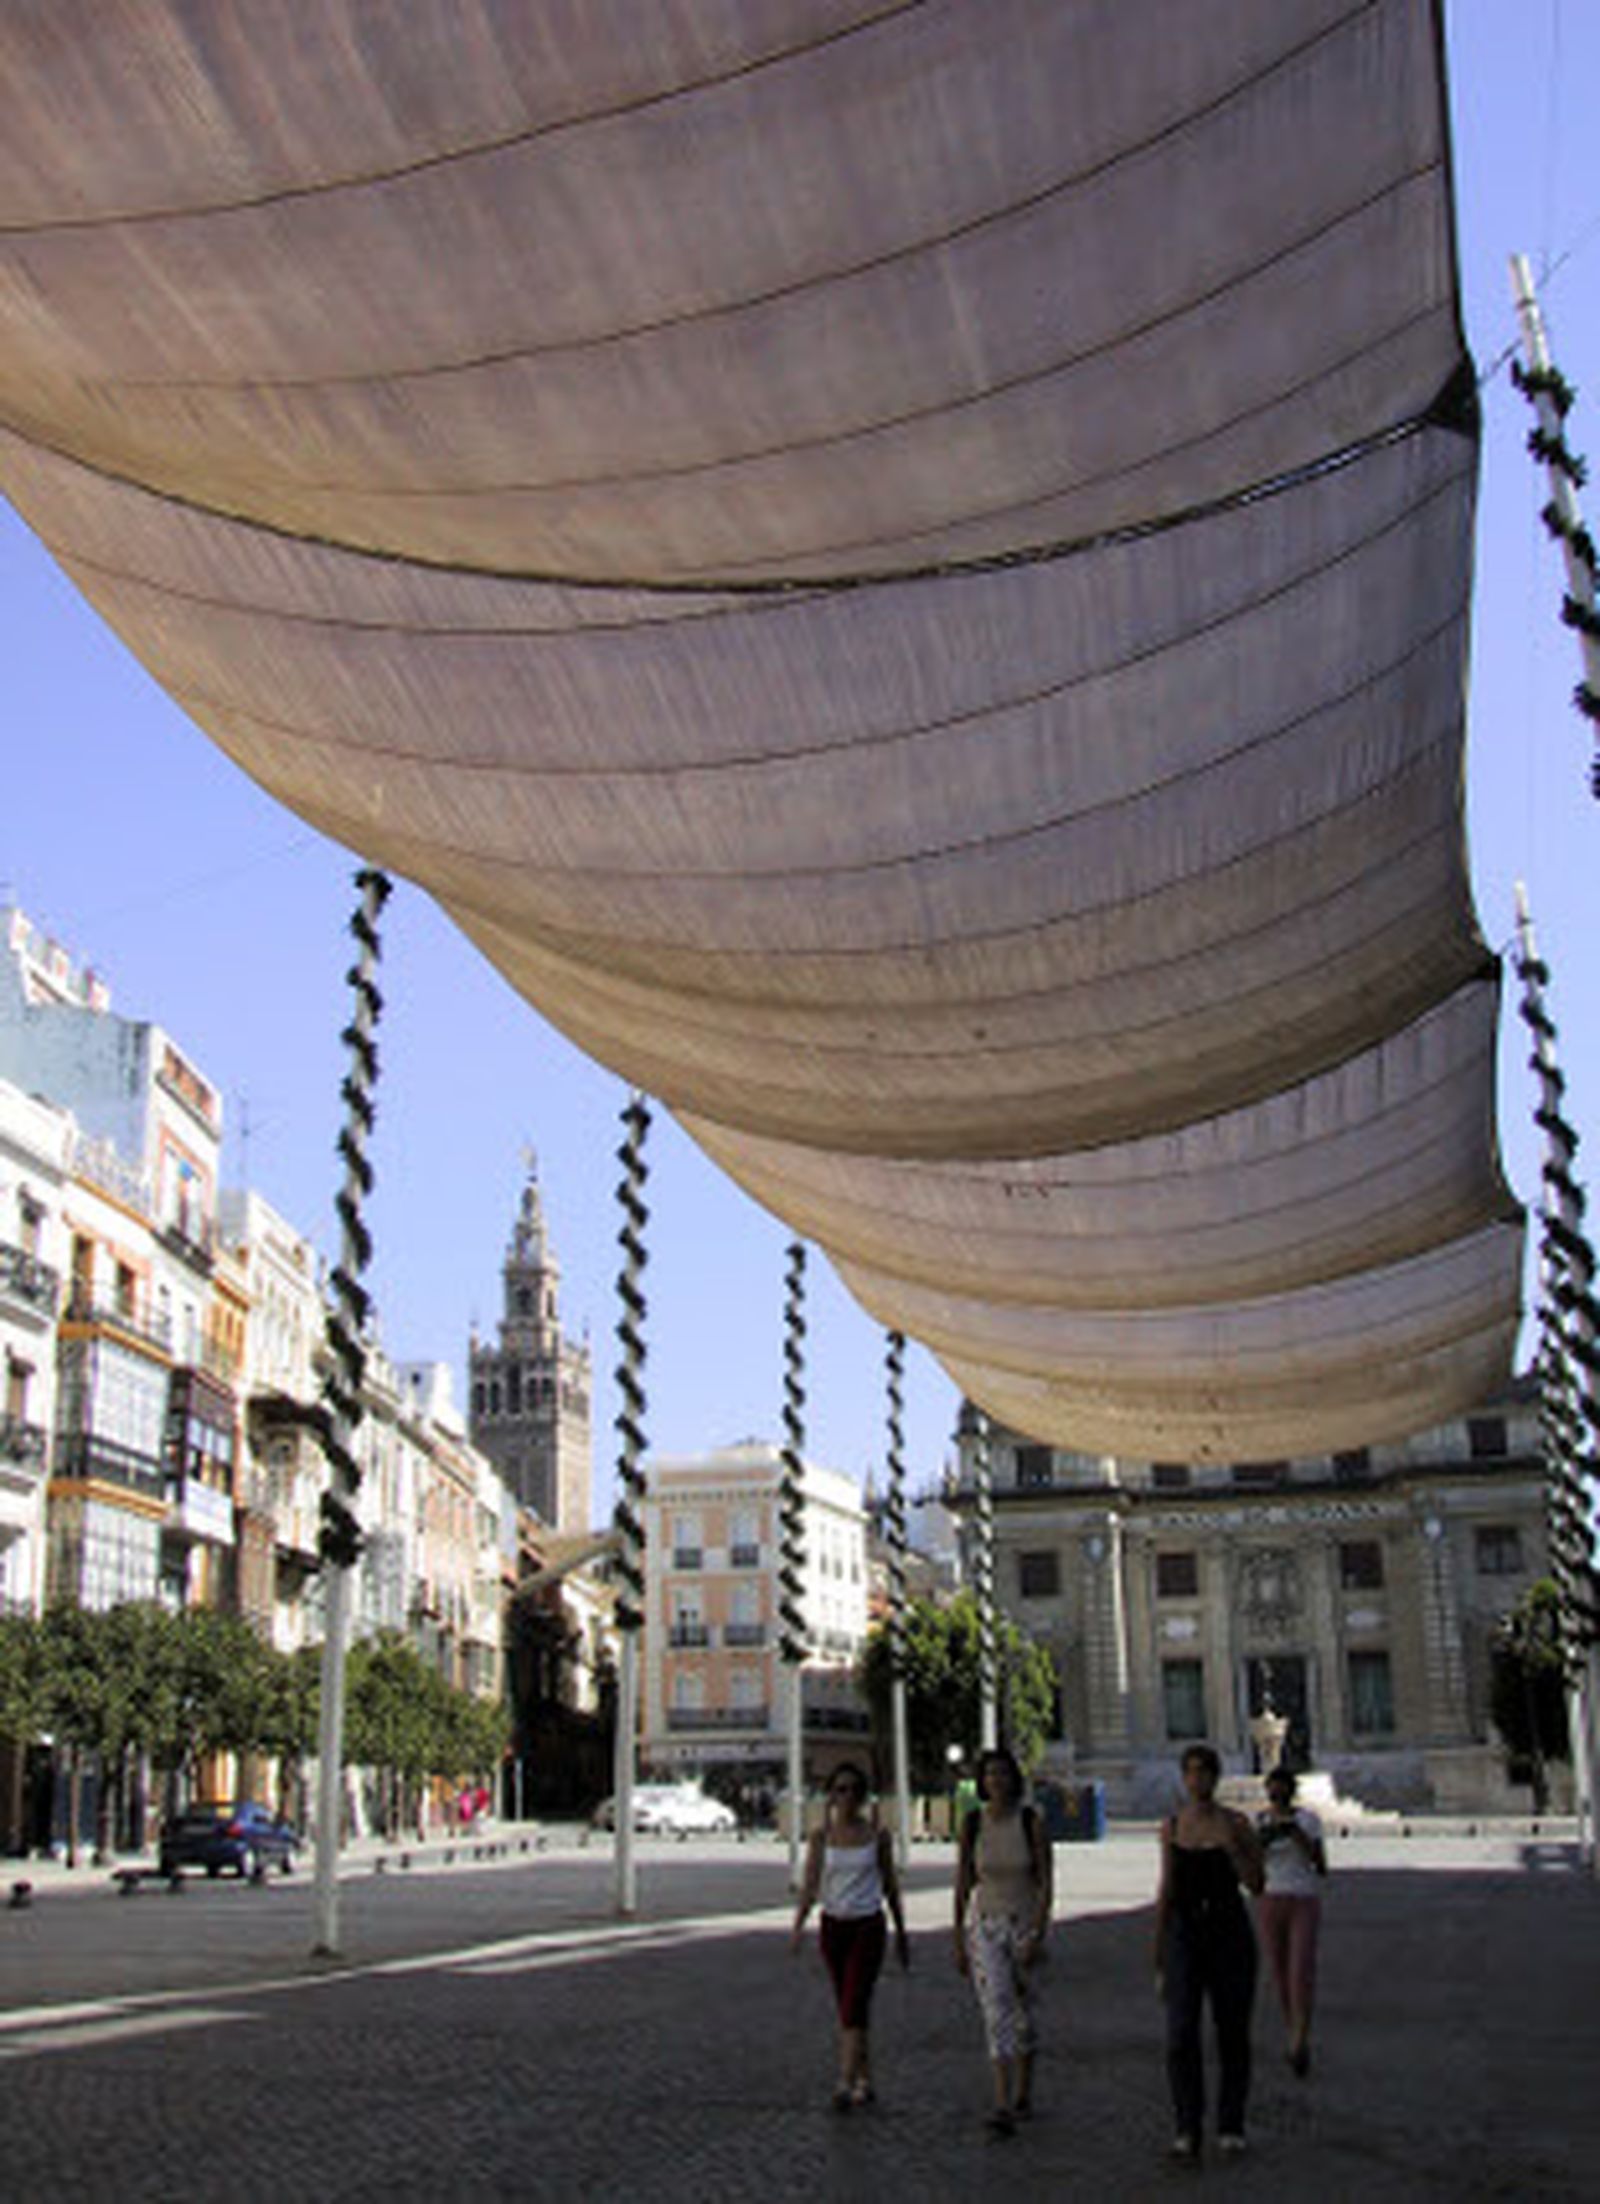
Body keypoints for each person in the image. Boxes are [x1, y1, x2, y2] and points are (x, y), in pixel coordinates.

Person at [1152, 1744, 1264, 2163]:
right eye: (1191, 1772)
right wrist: (1158, 1946)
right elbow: (1166, 1888)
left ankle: (1231, 2123)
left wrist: (1232, 1849)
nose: (1197, 1779)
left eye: (1204, 1772)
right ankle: (1187, 2127)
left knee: (1232, 2030)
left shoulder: (1237, 1824)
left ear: (1215, 1778)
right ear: (1184, 1778)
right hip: (1185, 1934)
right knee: (1180, 2032)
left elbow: (1257, 1884)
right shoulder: (1172, 1826)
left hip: (1229, 1934)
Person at [790, 1763, 910, 2109]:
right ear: (830, 1795)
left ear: (863, 1796)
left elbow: (890, 1885)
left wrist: (901, 1932)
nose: (847, 1797)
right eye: (840, 1789)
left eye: (854, 1790)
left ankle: (844, 2080)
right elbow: (811, 1883)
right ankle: (865, 2078)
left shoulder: (877, 1837)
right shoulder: (820, 1838)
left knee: (854, 1999)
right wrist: (799, 1924)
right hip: (834, 1926)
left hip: (868, 1925)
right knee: (850, 2005)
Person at [953, 1746, 1053, 2136]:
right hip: (986, 1925)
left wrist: (1039, 1932)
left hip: (1024, 1924)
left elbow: (1045, 1881)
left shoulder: (1031, 1821)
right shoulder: (973, 1823)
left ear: (1014, 1780)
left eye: (1003, 1774)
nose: (996, 1781)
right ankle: (1001, 2100)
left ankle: (1024, 2091)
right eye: (990, 1775)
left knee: (1024, 2015)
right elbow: (963, 1881)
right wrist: (959, 1936)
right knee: (996, 2009)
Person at [1255, 1764, 1327, 2076]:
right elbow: (1249, 1863)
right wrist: (1264, 1840)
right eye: (1272, 1790)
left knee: (1300, 1969)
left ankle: (1300, 2037)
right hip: (1271, 1898)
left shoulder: (1308, 1820)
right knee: (1280, 1971)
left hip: (1303, 1897)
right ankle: (1292, 2029)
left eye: (1280, 1789)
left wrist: (1295, 1833)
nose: (1276, 1796)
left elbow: (1320, 1865)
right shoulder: (1258, 1821)